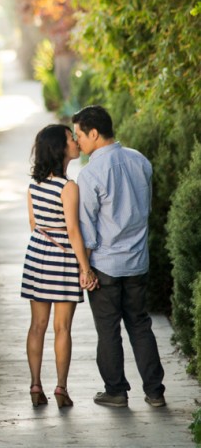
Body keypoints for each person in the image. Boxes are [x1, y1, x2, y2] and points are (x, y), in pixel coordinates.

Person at [71, 104, 166, 409]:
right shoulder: (140, 161)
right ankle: (155, 392)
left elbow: (86, 229)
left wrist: (84, 269)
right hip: (137, 262)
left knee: (108, 330)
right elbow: (145, 209)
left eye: (79, 136)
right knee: (140, 325)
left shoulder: (91, 174)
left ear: (94, 133)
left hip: (105, 267)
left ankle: (116, 392)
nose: (77, 143)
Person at [21, 123, 97, 409]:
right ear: (60, 148)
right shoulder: (68, 187)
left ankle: (35, 385)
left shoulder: (33, 185)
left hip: (37, 255)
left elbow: (33, 225)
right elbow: (74, 231)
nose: (76, 142)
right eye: (70, 138)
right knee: (62, 328)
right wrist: (86, 268)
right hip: (63, 259)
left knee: (37, 326)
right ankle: (61, 389)